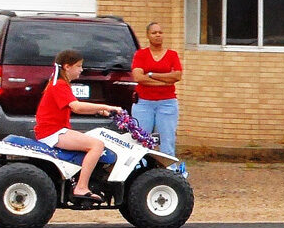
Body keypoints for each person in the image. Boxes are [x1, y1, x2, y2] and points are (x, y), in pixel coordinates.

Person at [36, 49, 124, 202]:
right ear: (67, 67)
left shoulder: (59, 84)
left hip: (55, 130)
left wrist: (101, 111)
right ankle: (81, 187)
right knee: (97, 145)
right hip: (52, 132)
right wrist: (107, 107)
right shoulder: (60, 85)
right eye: (79, 66)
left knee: (93, 139)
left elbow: (72, 107)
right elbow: (76, 106)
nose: (81, 70)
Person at [131, 22, 183, 157]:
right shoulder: (141, 54)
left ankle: (169, 172)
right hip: (143, 103)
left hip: (167, 103)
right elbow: (138, 77)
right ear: (148, 35)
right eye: (154, 33)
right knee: (141, 140)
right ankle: (139, 170)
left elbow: (177, 76)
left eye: (160, 32)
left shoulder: (172, 55)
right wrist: (165, 81)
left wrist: (151, 75)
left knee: (167, 140)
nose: (158, 35)